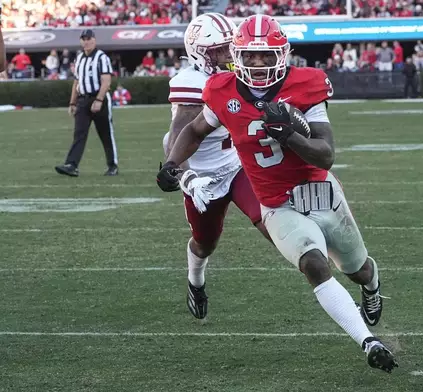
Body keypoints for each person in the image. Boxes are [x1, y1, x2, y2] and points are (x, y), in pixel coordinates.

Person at [158, 14, 398, 373]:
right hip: (274, 200)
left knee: (358, 269)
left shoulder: (308, 85)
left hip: (319, 191)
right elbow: (191, 130)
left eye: (265, 56)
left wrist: (291, 136)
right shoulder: (221, 89)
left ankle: (373, 286)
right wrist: (173, 165)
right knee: (312, 263)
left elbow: (326, 155)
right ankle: (368, 341)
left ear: (282, 55)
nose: (256, 63)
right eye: (249, 56)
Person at [162, 13, 271, 319]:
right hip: (203, 178)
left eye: (229, 48)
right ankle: (195, 283)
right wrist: (185, 177)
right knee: (205, 243)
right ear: (200, 53)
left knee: (271, 222)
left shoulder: (238, 75)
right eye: (219, 51)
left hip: (238, 167)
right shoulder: (192, 83)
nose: (228, 56)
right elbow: (178, 137)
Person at [55, 29, 118, 177]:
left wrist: (99, 100)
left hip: (98, 98)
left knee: (106, 133)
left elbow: (106, 81)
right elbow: (76, 82)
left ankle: (112, 165)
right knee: (79, 133)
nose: (86, 41)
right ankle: (71, 165)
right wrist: (72, 102)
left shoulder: (102, 57)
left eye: (88, 38)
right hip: (83, 99)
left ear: (94, 40)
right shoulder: (80, 58)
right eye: (83, 39)